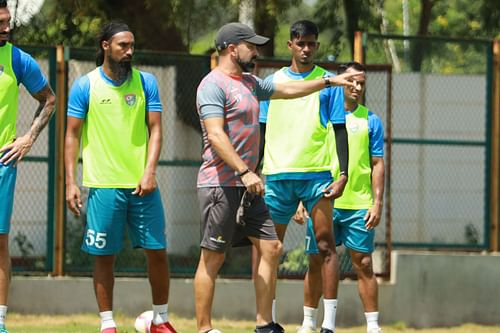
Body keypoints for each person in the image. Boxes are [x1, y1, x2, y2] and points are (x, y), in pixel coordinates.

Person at [195, 22, 360, 333]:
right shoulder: (211, 85)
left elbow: (288, 89)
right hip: (220, 183)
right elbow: (216, 135)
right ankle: (204, 328)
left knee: (271, 248)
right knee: (213, 257)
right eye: (251, 46)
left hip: (249, 185)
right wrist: (245, 171)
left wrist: (329, 82)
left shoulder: (250, 83)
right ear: (233, 49)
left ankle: (264, 324)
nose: (256, 51)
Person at [65, 22, 176, 333]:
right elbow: (71, 135)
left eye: (131, 45)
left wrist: (150, 171)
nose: (129, 51)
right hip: (102, 186)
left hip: (143, 185)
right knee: (104, 256)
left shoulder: (146, 82)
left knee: (157, 250)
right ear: (105, 46)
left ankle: (161, 319)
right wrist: (71, 182)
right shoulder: (84, 86)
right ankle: (107, 324)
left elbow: (155, 129)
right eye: (122, 45)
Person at [257, 20, 349, 333]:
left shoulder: (329, 81)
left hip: (317, 176)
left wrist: (344, 173)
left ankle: (328, 326)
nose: (306, 49)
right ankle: (266, 322)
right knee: (270, 250)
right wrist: (253, 172)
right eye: (301, 43)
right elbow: (262, 129)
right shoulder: (272, 82)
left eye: (311, 43)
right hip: (278, 176)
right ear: (290, 45)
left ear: (316, 45)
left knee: (326, 247)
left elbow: (339, 128)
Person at [301, 61, 385, 333]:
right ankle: (309, 323)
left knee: (365, 264)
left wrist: (377, 202)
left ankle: (373, 327)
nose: (357, 87)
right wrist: (302, 199)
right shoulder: (321, 116)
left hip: (358, 205)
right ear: (340, 82)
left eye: (361, 83)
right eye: (352, 81)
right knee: (316, 261)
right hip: (322, 200)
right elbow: (307, 157)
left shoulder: (370, 120)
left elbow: (377, 164)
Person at [0, 1, 56, 332]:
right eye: (0, 22)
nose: (6, 28)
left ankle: (0, 321)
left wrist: (28, 138)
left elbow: (48, 99)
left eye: (8, 22)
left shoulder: (19, 60)